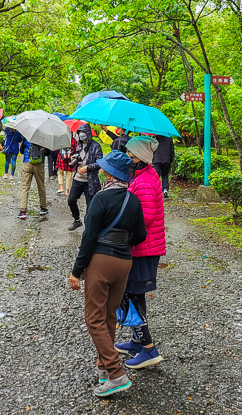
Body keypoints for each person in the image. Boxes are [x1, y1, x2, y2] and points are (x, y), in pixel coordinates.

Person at [68, 151, 146, 398]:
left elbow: (89, 237)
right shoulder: (133, 199)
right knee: (109, 316)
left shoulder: (100, 199)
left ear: (111, 173)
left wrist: (76, 271)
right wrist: (122, 242)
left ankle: (115, 373)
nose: (101, 170)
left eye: (104, 168)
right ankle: (103, 366)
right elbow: (140, 235)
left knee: (93, 318)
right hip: (124, 262)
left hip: (101, 261)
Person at [115, 136, 166, 368]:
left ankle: (149, 349)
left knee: (133, 297)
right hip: (143, 247)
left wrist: (123, 227)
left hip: (143, 249)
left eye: (131, 155)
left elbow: (146, 217)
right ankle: (137, 340)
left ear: (141, 158)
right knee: (134, 294)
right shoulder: (142, 175)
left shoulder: (144, 181)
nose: (128, 158)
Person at [70, 123, 104, 231]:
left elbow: (100, 163)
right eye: (79, 133)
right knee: (71, 200)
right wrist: (73, 158)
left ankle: (89, 228)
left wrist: (87, 167)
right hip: (78, 178)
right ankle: (76, 220)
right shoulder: (79, 145)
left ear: (88, 133)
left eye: (83, 133)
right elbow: (78, 156)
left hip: (90, 181)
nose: (81, 135)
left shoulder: (96, 146)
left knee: (90, 206)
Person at [18, 137, 48, 220]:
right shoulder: (43, 137)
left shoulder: (27, 135)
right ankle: (43, 208)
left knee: (25, 187)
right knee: (41, 186)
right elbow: (47, 152)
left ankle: (23, 211)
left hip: (27, 162)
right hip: (39, 164)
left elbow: (21, 150)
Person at [152, 134, 175, 199]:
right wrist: (171, 159)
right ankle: (165, 189)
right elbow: (172, 150)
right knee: (165, 174)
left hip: (156, 160)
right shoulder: (169, 137)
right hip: (166, 159)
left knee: (156, 176)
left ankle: (155, 191)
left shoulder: (155, 137)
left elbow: (152, 149)